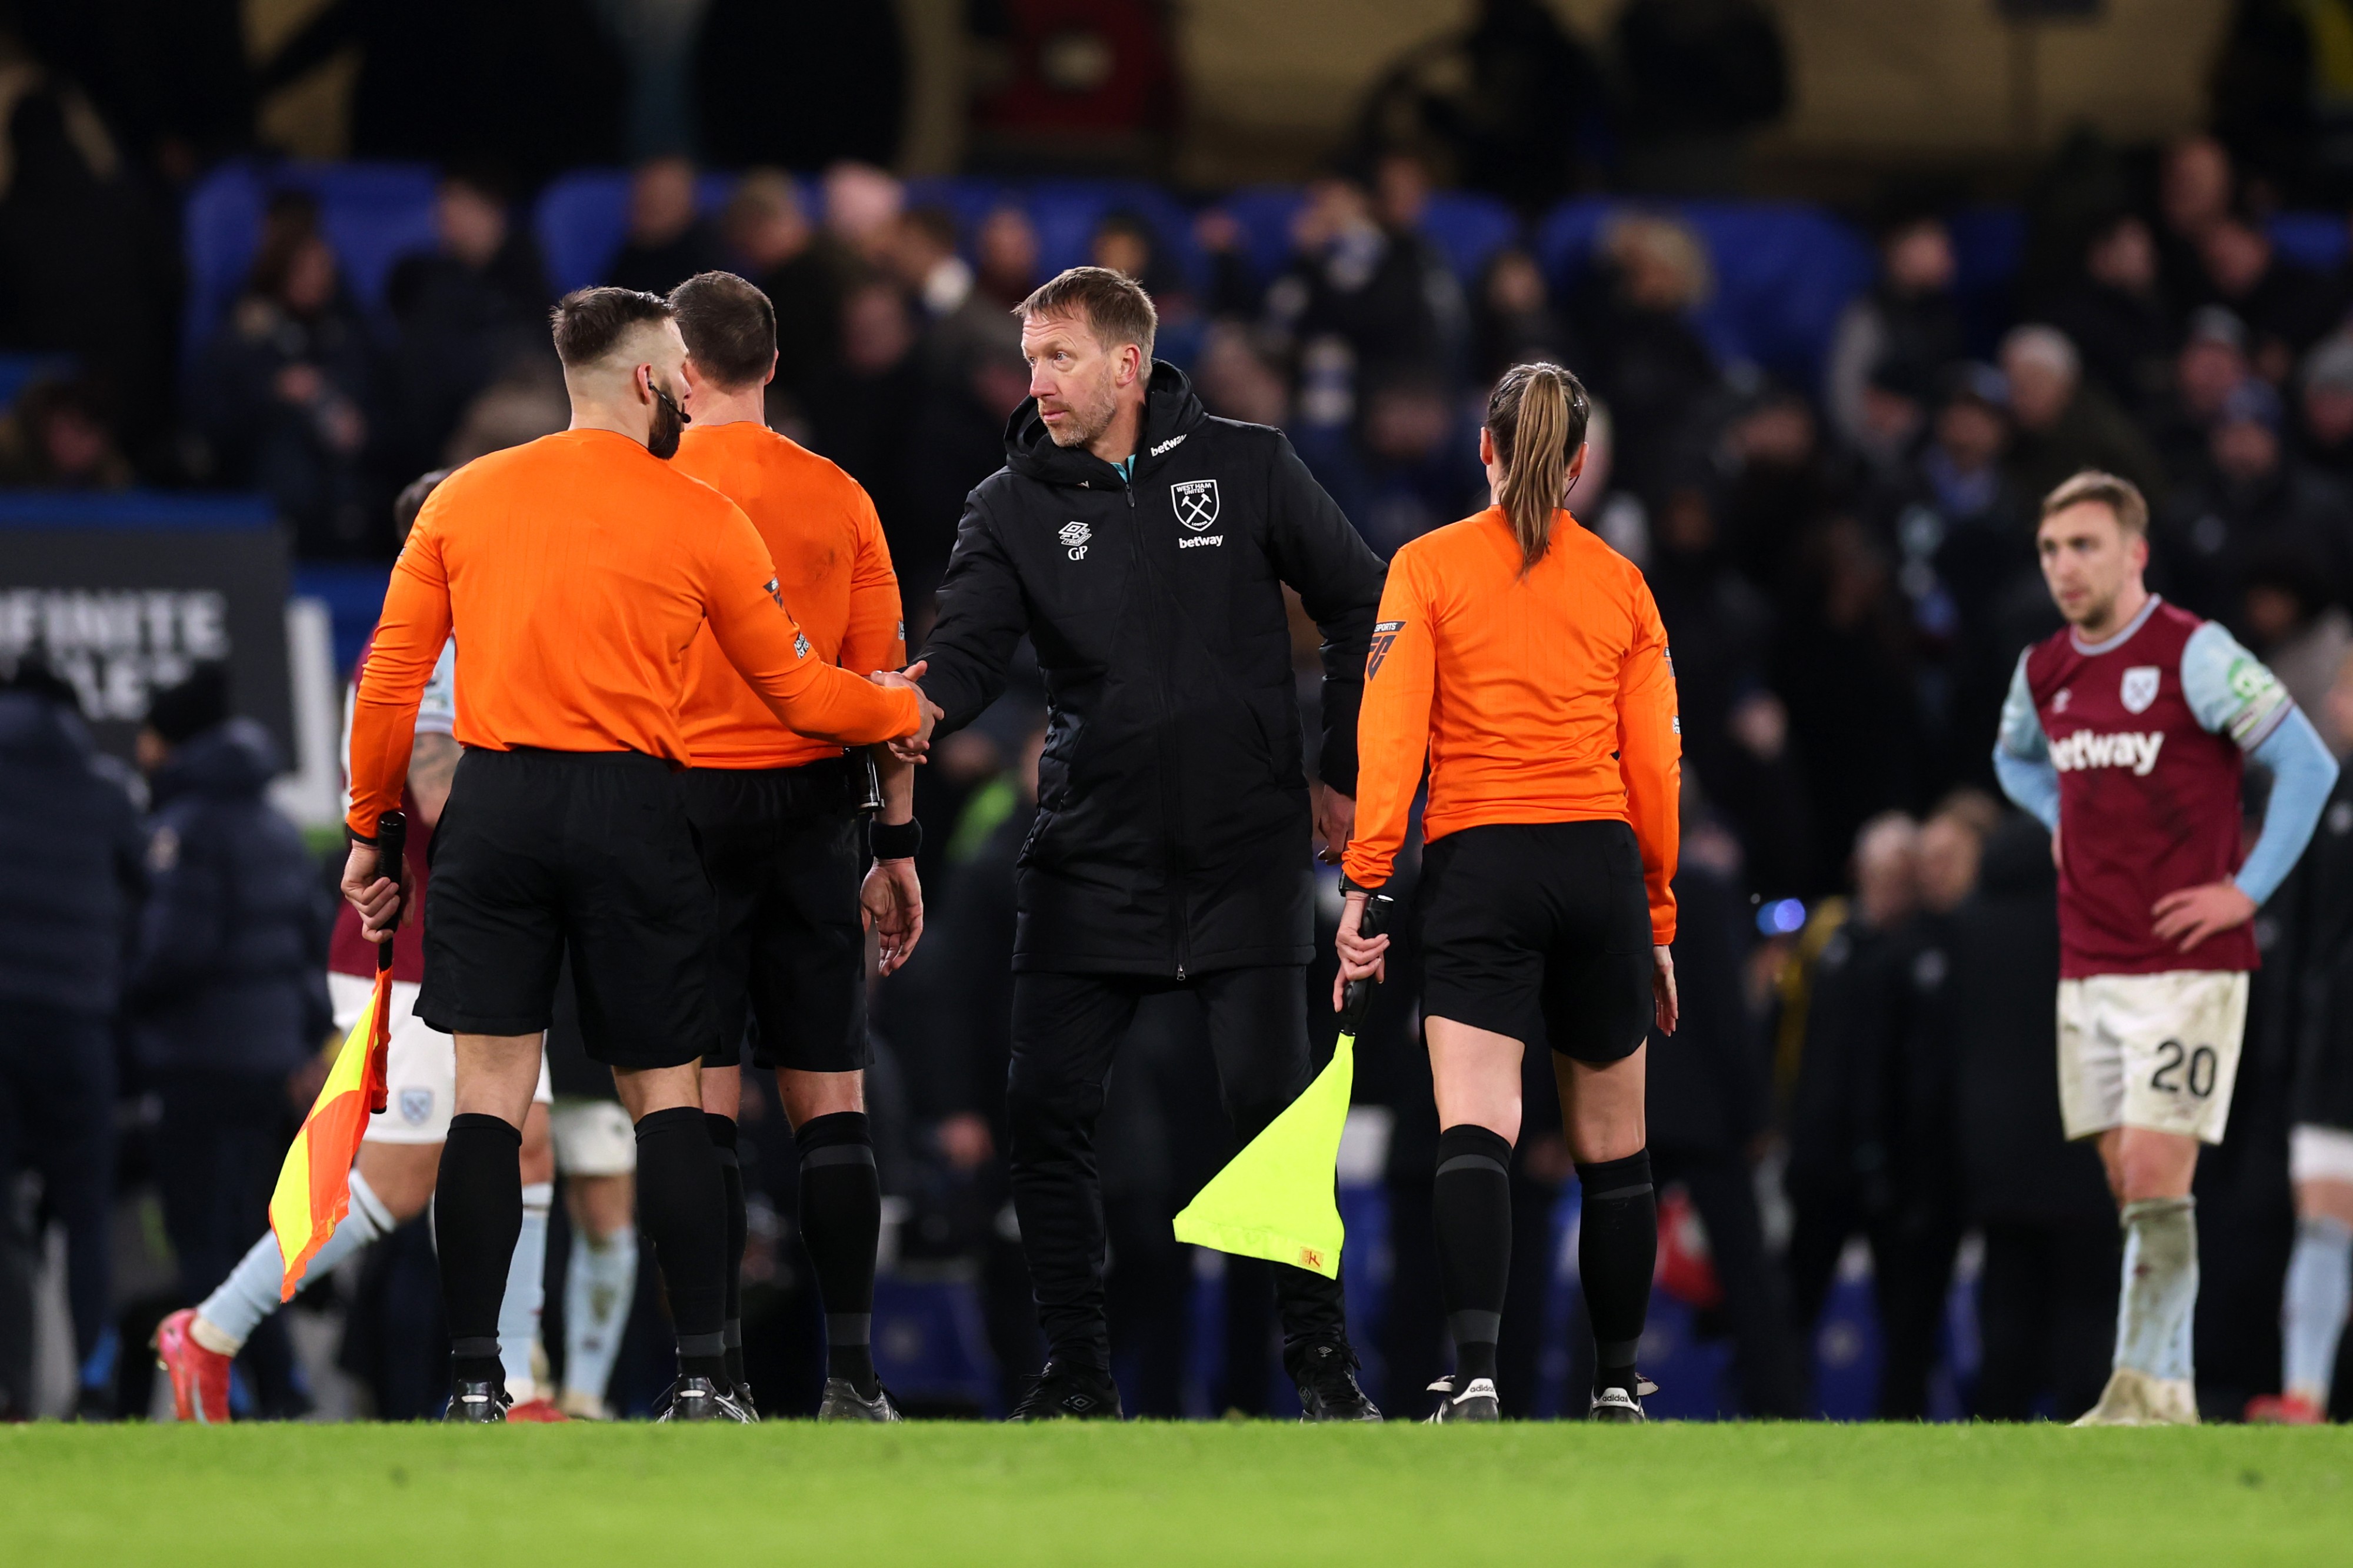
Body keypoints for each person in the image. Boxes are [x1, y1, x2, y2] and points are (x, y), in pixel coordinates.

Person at [338, 285, 934, 1422]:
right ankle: (710, 1377)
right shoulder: (699, 516)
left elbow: (389, 685)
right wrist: (894, 709)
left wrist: (375, 831)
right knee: (669, 1099)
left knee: (488, 1104)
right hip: (636, 805)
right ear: (657, 379)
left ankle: (473, 1383)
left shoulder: (464, 498)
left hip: (496, 802)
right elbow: (796, 686)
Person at [915, 266, 1388, 1421]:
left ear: (1126, 364)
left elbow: (1363, 598)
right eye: (1028, 360)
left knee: (1271, 1114)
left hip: (1241, 852)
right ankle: (1075, 1373)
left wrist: (1339, 767)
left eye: (1058, 359)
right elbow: (970, 654)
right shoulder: (1007, 503)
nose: (1035, 382)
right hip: (1090, 853)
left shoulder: (1249, 463)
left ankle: (1320, 1370)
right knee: (1045, 1114)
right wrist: (916, 705)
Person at [155, 472, 563, 1424]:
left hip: (486, 939)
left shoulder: (478, 640)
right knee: (399, 1174)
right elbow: (442, 804)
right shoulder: (415, 650)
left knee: (532, 1150)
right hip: (410, 944)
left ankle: (526, 1387)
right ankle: (212, 1328)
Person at [1336, 361, 1681, 1423]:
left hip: (1483, 862)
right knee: (1614, 1148)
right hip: (1599, 862)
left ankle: (1476, 1372)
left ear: (1482, 449)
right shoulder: (1623, 582)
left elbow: (1390, 736)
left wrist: (1367, 882)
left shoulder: (1429, 567)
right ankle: (1618, 1384)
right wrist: (1657, 913)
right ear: (1578, 465)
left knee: (1476, 1128)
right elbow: (1656, 764)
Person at [1992, 469, 2338, 1423]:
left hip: (2188, 968)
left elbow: (2306, 763)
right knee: (2125, 1176)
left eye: (2086, 546)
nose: (2066, 567)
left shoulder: (2196, 654)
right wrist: (2060, 811)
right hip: (2088, 963)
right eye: (2053, 550)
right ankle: (2172, 1388)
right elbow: (2011, 757)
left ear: (2135, 552)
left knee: (2153, 1169)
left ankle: (2141, 1390)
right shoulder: (2045, 670)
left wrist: (2244, 890)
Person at [667, 269, 921, 1420]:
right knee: (830, 1099)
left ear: (677, 373)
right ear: (770, 364)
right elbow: (887, 692)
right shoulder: (842, 498)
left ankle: (709, 1376)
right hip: (818, 809)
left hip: (681, 813)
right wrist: (898, 846)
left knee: (700, 1100)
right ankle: (855, 1376)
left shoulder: (649, 489)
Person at [130, 665, 335, 1419]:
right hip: (272, 1064)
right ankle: (284, 1384)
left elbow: (177, 951)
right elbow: (311, 950)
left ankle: (248, 1384)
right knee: (251, 1230)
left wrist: (124, 997)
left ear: (171, 742)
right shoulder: (278, 827)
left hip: (198, 1061)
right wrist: (307, 1043)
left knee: (200, 1233)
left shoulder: (187, 828)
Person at [0, 658, 144, 1417]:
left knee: (3, 1223)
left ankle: (13, 1391)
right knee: (90, 1217)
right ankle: (93, 1388)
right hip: (79, 1028)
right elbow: (149, 910)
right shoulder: (104, 791)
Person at [2251, 650, 2353, 1423]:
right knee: (2323, 1223)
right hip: (2335, 1053)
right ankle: (2305, 1395)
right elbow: (2295, 936)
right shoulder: (2324, 797)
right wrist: (2287, 1045)